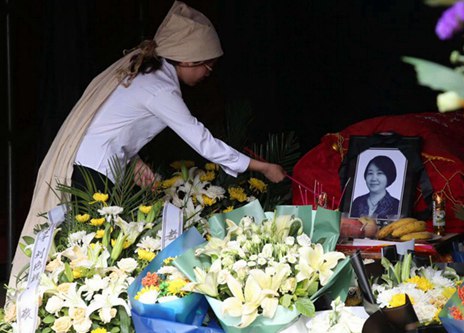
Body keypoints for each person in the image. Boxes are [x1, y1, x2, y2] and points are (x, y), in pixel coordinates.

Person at [10, 1, 285, 286]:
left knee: (89, 249)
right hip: (92, 173)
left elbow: (115, 124)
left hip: (93, 165)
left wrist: (134, 161)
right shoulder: (160, 88)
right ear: (189, 60)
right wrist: (262, 167)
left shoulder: (147, 73)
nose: (207, 74)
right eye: (208, 66)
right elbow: (202, 141)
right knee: (90, 253)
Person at [350, 155, 400, 220]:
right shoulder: (357, 202)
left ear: (389, 176)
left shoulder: (396, 205)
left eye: (379, 173)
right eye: (370, 173)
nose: (373, 178)